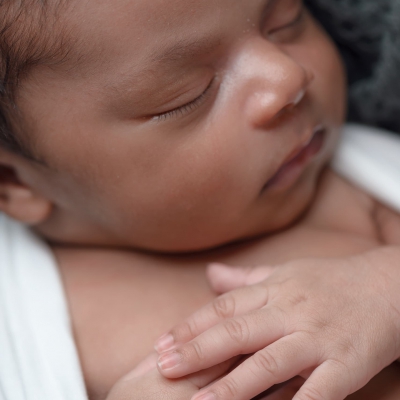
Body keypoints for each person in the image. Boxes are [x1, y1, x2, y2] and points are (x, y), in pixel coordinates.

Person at [1, 0, 400, 399]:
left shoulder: (352, 183)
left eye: (285, 21)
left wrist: (385, 292)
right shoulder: (17, 330)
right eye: (188, 96)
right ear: (14, 181)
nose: (288, 77)